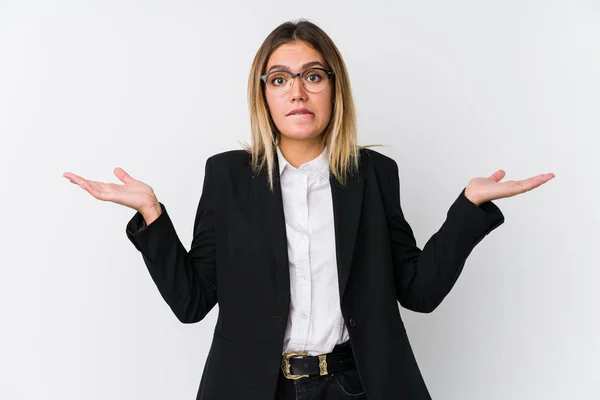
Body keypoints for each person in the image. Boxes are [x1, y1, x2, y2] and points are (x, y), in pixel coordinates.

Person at [63, 19, 555, 400]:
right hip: (257, 388)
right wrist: (151, 213)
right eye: (279, 79)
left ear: (334, 88)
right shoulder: (229, 176)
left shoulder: (374, 174)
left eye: (312, 76)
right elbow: (193, 303)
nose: (297, 91)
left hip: (355, 386)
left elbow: (419, 291)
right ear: (264, 95)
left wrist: (468, 210)